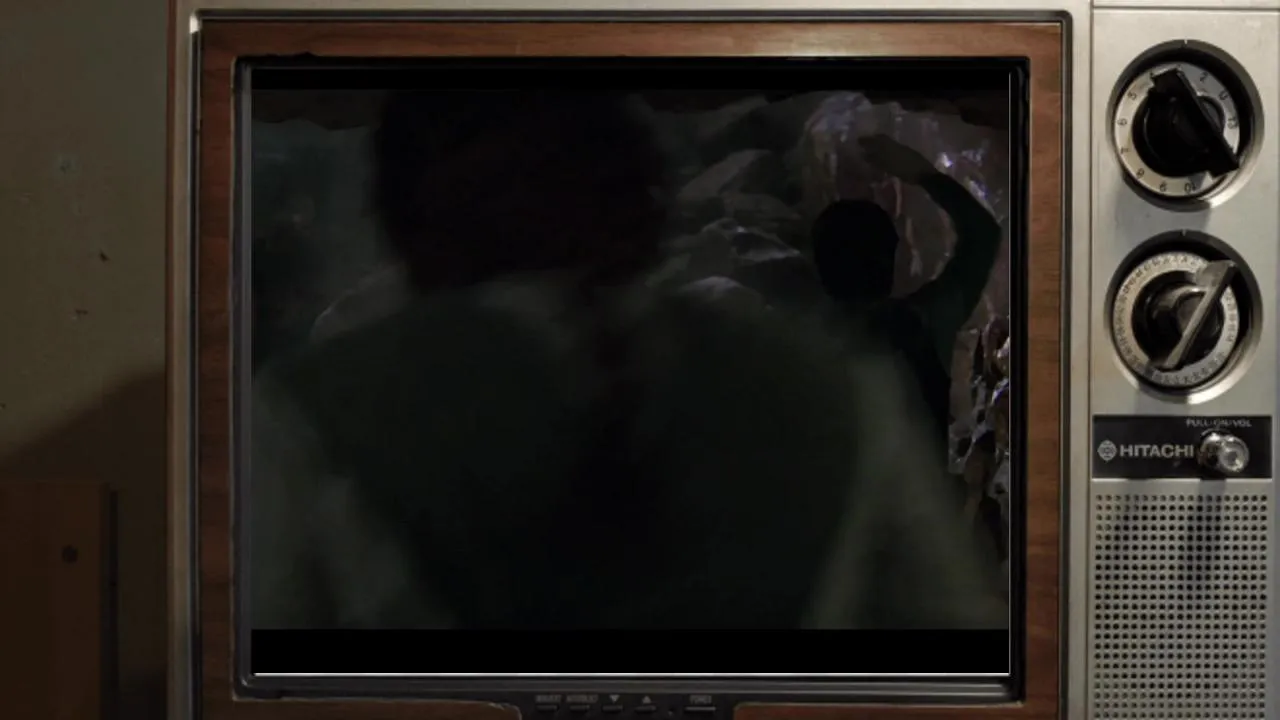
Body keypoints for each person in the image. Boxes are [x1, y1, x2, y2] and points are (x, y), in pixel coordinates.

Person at [248, 91, 1005, 631]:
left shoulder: (320, 407)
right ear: (641, 210)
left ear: (411, 228)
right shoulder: (844, 381)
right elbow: (955, 644)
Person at [810, 135, 1003, 459]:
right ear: (890, 261)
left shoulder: (797, 341)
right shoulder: (924, 323)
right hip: (922, 492)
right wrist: (923, 174)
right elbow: (982, 235)